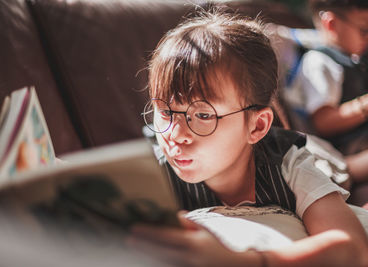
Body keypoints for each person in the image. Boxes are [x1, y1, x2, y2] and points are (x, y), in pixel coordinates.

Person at [126, 9, 368, 267]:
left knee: (342, 168)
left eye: (204, 115)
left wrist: (244, 261)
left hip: (318, 156)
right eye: (165, 112)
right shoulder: (154, 171)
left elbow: (352, 248)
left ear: (256, 126)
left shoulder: (290, 164)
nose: (175, 136)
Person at [284, 0, 368, 192]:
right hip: (347, 151)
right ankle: (350, 177)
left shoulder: (355, 58)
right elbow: (323, 121)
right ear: (331, 23)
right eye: (364, 30)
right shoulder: (320, 62)